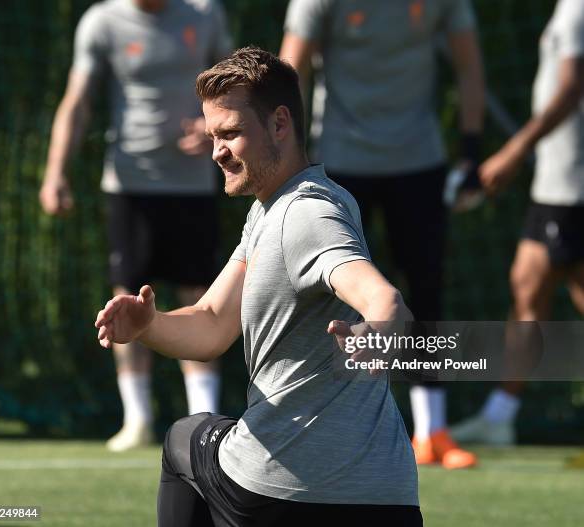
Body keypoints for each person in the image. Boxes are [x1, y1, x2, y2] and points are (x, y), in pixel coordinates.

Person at [95, 47, 423, 526]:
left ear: (280, 124)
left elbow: (384, 299)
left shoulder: (305, 214)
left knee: (185, 438)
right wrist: (149, 324)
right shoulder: (279, 207)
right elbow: (209, 326)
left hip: (284, 494)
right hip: (388, 497)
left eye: (230, 133)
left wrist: (375, 331)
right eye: (212, 136)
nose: (216, 151)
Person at [279, 0, 484, 468]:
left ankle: (432, 431)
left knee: (426, 290)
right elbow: (288, 75)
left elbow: (470, 66)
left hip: (419, 161)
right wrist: (291, 155)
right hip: (340, 162)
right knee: (327, 295)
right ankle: (320, 425)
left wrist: (471, 151)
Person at [39, 0, 232, 451]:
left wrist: (212, 129)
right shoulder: (102, 22)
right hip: (129, 184)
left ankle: (201, 420)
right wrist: (55, 173)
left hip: (194, 185)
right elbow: (77, 100)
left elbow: (235, 89)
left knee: (198, 295)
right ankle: (137, 419)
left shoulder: (205, 14)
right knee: (126, 297)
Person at [450, 0, 584, 446]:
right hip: (557, 182)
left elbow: (571, 88)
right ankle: (499, 415)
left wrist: (515, 149)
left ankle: (499, 415)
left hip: (573, 183)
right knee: (527, 283)